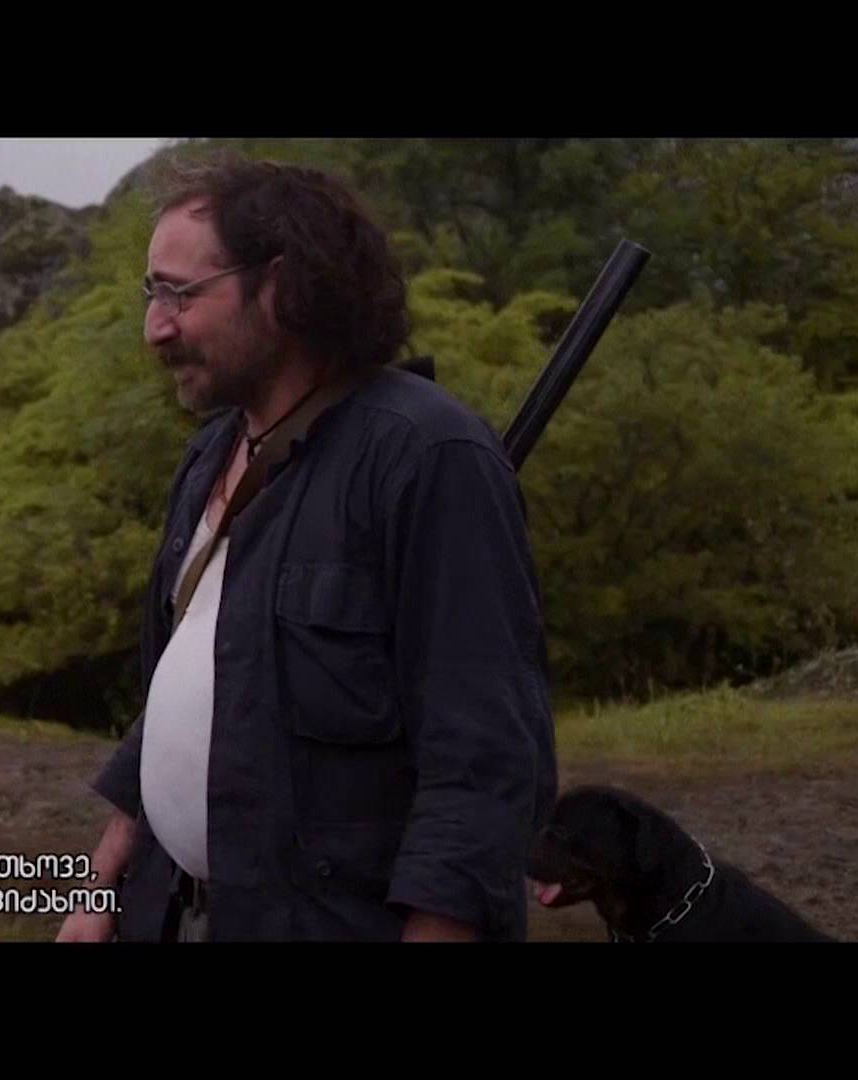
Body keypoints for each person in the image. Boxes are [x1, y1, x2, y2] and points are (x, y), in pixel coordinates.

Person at [56, 152, 558, 943]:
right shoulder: (210, 455)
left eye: (180, 294)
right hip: (174, 914)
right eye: (152, 294)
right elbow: (188, 692)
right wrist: (101, 883)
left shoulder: (428, 458)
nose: (155, 328)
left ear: (281, 287)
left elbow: (483, 763)